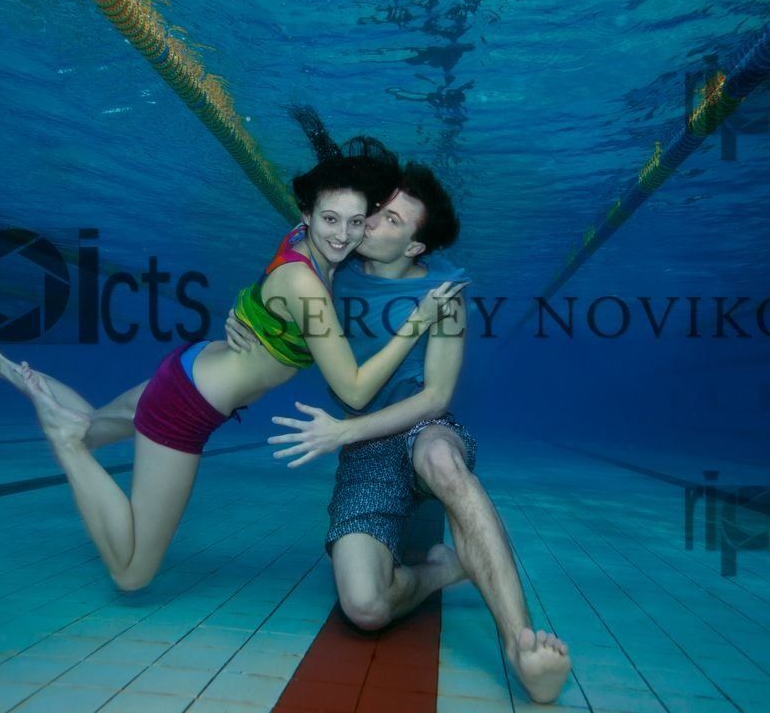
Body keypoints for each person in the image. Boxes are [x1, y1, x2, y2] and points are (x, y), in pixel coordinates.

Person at [0, 135, 466, 594]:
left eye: (358, 222)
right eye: (331, 220)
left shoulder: (305, 245)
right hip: (186, 407)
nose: (345, 234)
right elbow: (352, 391)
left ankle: (4, 365)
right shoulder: (307, 282)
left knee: (92, 429)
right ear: (306, 214)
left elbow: (268, 286)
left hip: (191, 369)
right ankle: (59, 439)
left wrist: (243, 308)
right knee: (131, 573)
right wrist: (417, 321)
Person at [226, 141, 572, 704]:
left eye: (388, 218)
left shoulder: (445, 295)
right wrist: (241, 314)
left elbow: (436, 395)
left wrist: (344, 430)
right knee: (365, 608)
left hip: (418, 428)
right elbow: (282, 279)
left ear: (413, 244)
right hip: (365, 453)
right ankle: (446, 569)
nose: (366, 223)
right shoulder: (333, 263)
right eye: (375, 208)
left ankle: (520, 646)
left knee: (441, 458)